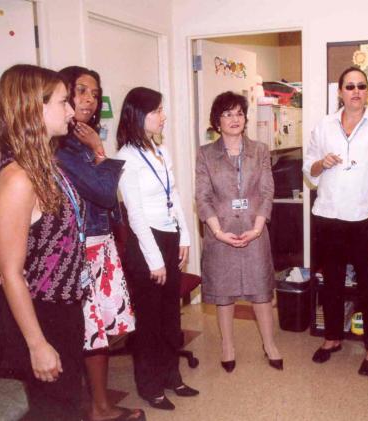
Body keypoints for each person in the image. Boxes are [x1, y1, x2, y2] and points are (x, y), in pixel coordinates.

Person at [0, 64, 83, 420]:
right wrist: (37, 344)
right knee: (55, 411)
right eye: (63, 102)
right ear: (34, 108)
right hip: (41, 315)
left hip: (64, 307)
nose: (71, 111)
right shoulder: (18, 179)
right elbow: (10, 273)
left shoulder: (46, 164)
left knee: (69, 404)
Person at [54, 66, 144, 421]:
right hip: (81, 250)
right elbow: (106, 193)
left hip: (99, 243)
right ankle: (99, 408)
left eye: (95, 93)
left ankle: (99, 406)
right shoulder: (64, 147)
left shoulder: (79, 142)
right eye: (80, 92)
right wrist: (100, 150)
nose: (89, 100)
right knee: (93, 334)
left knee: (101, 333)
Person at [303, 67, 368, 376]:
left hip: (367, 218)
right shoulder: (324, 126)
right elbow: (309, 170)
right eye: (350, 86)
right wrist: (320, 163)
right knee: (331, 283)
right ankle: (332, 338)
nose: (356, 91)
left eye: (362, 86)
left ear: (367, 92)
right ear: (340, 92)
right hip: (329, 217)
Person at [116, 87, 198, 411]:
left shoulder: (160, 149)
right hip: (145, 242)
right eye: (158, 111)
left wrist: (185, 236)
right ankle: (150, 386)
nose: (164, 117)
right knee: (149, 322)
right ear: (139, 115)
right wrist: (154, 260)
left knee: (170, 317)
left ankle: (172, 377)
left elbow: (174, 195)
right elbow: (134, 213)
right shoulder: (125, 157)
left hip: (169, 235)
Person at [195, 91, 282, 373]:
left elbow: (267, 191)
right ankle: (227, 346)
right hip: (220, 233)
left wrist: (258, 227)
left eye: (239, 114)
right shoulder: (205, 154)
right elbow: (203, 197)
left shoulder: (260, 150)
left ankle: (269, 344)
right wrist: (218, 232)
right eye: (227, 114)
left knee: (260, 291)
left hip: (254, 230)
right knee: (224, 292)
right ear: (216, 121)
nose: (235, 119)